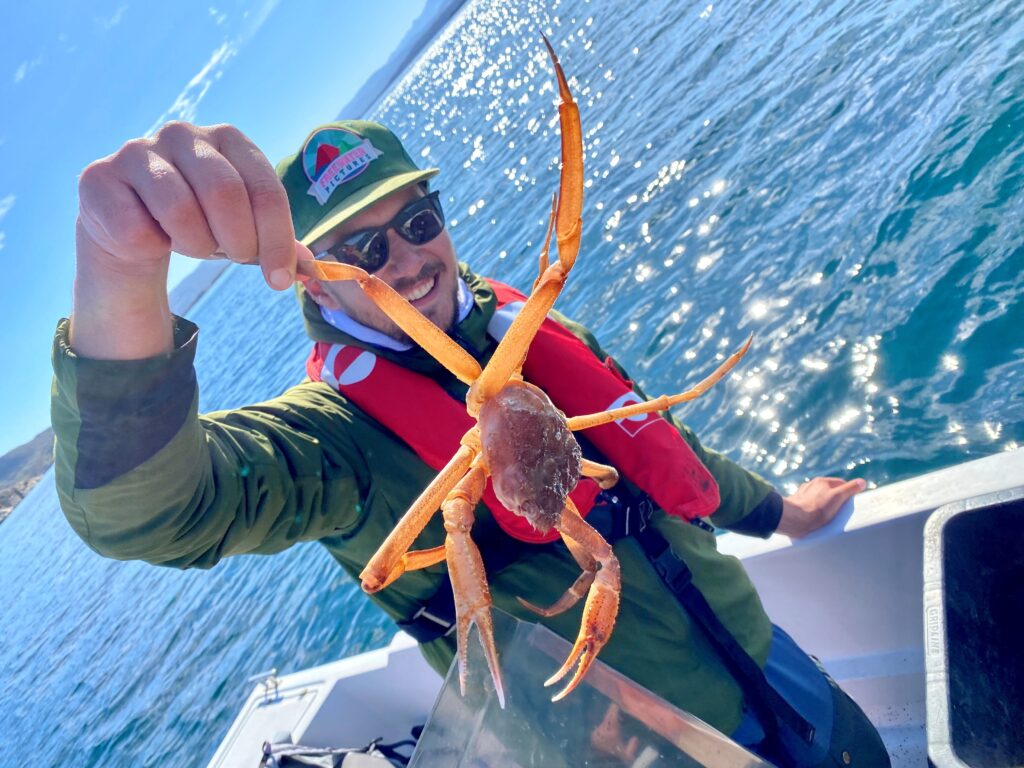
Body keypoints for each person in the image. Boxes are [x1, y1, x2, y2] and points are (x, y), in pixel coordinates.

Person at [53, 118, 889, 767]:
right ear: (313, 274)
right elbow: (151, 514)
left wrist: (782, 512)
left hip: (760, 649)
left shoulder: (534, 324)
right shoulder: (337, 442)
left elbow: (659, 443)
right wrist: (118, 272)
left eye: (419, 219)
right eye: (366, 251)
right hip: (638, 745)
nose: (409, 260)